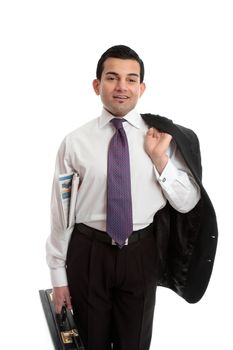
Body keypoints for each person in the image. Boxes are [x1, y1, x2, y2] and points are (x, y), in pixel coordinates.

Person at [46, 45, 218, 350]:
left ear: (142, 87)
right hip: (88, 254)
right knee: (89, 343)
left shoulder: (163, 138)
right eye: (112, 78)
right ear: (97, 85)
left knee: (135, 343)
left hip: (141, 253)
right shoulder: (74, 143)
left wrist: (160, 161)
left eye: (130, 78)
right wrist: (58, 276)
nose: (122, 87)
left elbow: (188, 203)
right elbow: (61, 213)